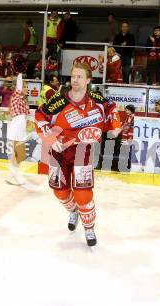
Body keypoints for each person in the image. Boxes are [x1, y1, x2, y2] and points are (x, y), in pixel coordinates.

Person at [35, 62, 121, 247]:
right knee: (59, 191)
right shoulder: (59, 100)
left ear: (89, 80)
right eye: (73, 76)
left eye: (80, 76)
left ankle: (89, 227)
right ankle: (73, 211)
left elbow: (111, 108)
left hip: (83, 150)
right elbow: (40, 116)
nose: (75, 80)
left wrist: (115, 125)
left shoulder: (96, 99)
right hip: (58, 151)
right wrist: (50, 139)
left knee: (83, 193)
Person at [6, 73, 32, 187]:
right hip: (17, 127)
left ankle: (12, 175)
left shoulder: (23, 99)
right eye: (25, 86)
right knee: (21, 154)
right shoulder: (16, 96)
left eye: (27, 87)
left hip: (20, 127)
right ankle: (14, 174)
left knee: (18, 154)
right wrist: (20, 73)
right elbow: (18, 85)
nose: (27, 89)